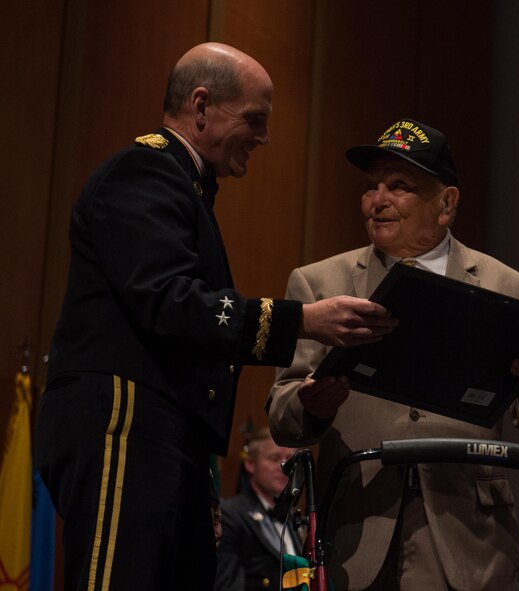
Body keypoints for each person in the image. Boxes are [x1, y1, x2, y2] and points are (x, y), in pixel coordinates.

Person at [33, 42, 396, 591]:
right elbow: (173, 305)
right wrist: (303, 320)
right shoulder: (144, 172)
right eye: (254, 119)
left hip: (163, 438)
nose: (264, 137)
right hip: (124, 428)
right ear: (201, 107)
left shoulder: (186, 187)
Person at [266, 118, 519, 590]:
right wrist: (310, 406)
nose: (378, 200)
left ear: (446, 204)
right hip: (355, 535)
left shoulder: (506, 286)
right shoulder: (318, 283)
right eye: (372, 187)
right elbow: (282, 413)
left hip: (472, 542)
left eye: (399, 186)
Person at [216, 427, 301, 591]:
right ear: (250, 463)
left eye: (290, 460)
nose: (284, 467)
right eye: (274, 458)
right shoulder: (230, 514)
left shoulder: (293, 518)